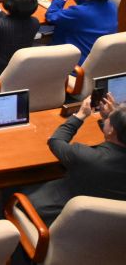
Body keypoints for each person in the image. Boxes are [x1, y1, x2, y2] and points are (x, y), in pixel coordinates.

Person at [21, 95, 126, 223]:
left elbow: (56, 141)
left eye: (110, 120)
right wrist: (110, 120)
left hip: (62, 215)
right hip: (111, 225)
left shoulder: (88, 157)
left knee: (13, 192)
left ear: (112, 130)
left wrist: (80, 115)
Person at [46, 0, 118, 63]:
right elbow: (90, 3)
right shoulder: (112, 5)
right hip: (93, 58)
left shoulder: (79, 12)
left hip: (72, 62)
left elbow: (51, 16)